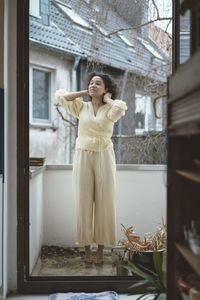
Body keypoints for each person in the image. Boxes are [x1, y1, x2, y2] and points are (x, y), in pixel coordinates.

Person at [55, 72, 128, 264]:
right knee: (83, 201)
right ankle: (87, 249)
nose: (93, 85)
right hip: (83, 156)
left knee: (105, 201)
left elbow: (121, 108)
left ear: (106, 89)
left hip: (104, 155)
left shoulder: (110, 109)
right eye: (91, 82)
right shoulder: (81, 107)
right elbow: (61, 96)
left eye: (98, 83)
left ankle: (100, 251)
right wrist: (84, 92)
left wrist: (108, 99)